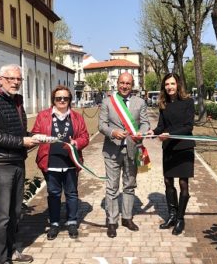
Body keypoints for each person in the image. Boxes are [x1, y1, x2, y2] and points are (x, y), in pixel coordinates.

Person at [0, 64, 38, 264]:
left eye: (18, 79)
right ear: (0, 78)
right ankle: (0, 262)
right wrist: (21, 141)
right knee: (1, 216)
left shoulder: (16, 100)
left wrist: (32, 138)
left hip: (16, 161)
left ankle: (11, 250)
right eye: (11, 78)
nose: (15, 82)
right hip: (0, 164)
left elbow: (17, 131)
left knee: (14, 212)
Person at [32, 85, 90, 240]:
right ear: (54, 100)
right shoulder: (43, 116)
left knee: (71, 194)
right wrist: (40, 137)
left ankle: (72, 221)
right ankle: (55, 223)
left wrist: (77, 143)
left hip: (71, 162)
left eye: (65, 98)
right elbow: (35, 134)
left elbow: (85, 136)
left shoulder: (77, 117)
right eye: (59, 98)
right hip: (50, 161)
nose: (62, 101)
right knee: (53, 194)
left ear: (70, 100)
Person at [99, 72, 150, 238]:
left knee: (129, 185)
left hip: (132, 149)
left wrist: (141, 134)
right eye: (122, 83)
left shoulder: (140, 102)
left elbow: (145, 123)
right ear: (117, 83)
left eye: (128, 83)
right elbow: (101, 125)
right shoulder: (108, 102)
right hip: (112, 150)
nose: (125, 86)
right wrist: (113, 132)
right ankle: (112, 221)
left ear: (132, 84)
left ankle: (127, 218)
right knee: (112, 187)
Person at [146, 73, 195, 235]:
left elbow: (188, 126)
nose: (169, 87)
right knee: (168, 182)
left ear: (178, 84)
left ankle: (180, 219)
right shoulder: (164, 104)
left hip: (184, 147)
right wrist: (153, 131)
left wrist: (170, 134)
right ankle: (172, 216)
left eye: (172, 83)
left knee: (183, 184)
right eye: (167, 84)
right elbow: (161, 126)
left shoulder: (188, 102)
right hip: (168, 148)